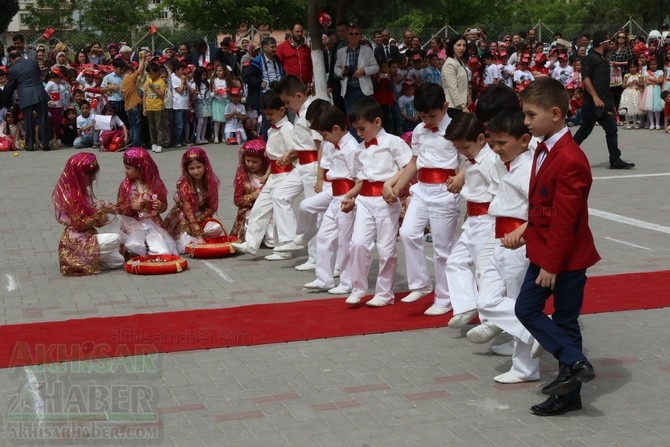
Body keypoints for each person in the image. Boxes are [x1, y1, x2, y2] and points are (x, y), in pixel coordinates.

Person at [515, 77, 601, 416]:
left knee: (536, 311)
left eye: (530, 115)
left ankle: (572, 373)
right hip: (546, 249)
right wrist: (528, 228)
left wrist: (551, 264)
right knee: (557, 319)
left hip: (563, 256)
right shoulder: (545, 146)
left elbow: (566, 220)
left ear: (554, 113)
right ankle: (573, 371)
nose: (526, 122)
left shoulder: (569, 158)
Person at [465, 110, 540, 385]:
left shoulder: (529, 168)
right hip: (498, 238)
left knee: (520, 302)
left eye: (502, 143)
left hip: (518, 242)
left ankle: (525, 367)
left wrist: (524, 230)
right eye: (493, 144)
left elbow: (542, 208)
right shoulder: (505, 165)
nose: (496, 149)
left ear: (524, 140)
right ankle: (539, 330)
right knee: (486, 300)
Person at [392, 83, 460, 315]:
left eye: (432, 115)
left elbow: (472, 160)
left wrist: (460, 178)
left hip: (445, 192)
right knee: (407, 232)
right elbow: (413, 162)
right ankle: (420, 284)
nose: (427, 120)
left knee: (442, 248)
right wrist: (398, 187)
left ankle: (444, 298)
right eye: (422, 116)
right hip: (421, 189)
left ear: (445, 106)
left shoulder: (457, 129)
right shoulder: (420, 130)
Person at [341, 97, 412, 307]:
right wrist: (350, 196)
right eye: (356, 130)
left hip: (386, 200)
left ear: (378, 122)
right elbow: (361, 180)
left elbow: (408, 166)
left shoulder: (394, 142)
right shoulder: (359, 149)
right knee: (358, 243)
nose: (360, 134)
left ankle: (384, 293)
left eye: (362, 128)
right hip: (364, 200)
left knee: (386, 248)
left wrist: (393, 185)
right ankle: (358, 288)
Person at [299, 105, 360, 294]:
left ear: (336, 129)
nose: (323, 139)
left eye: (324, 135)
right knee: (324, 236)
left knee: (344, 240)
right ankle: (323, 279)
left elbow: (359, 179)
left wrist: (351, 198)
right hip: (335, 196)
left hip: (346, 198)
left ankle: (348, 281)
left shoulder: (352, 148)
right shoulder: (333, 145)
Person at [263, 75, 322, 269]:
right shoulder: (299, 113)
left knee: (313, 212)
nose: (287, 106)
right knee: (280, 195)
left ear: (299, 95)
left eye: (288, 102)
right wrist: (290, 154)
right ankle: (290, 239)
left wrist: (321, 176)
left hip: (313, 167)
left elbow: (320, 145)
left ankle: (315, 258)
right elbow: (301, 143)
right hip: (301, 165)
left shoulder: (311, 112)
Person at [231, 92, 298, 257]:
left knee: (279, 211)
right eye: (265, 114)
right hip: (274, 174)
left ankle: (286, 246)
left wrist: (286, 157)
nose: (268, 117)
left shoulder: (287, 128)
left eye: (271, 114)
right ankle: (251, 243)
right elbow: (272, 158)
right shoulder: (271, 130)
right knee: (259, 209)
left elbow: (294, 149)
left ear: (282, 110)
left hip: (285, 175)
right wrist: (266, 175)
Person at [52, 153, 124, 276]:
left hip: (88, 236)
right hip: (78, 242)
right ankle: (79, 261)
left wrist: (100, 207)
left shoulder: (82, 192)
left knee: (118, 261)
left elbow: (89, 212)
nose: (94, 179)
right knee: (116, 238)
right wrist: (101, 212)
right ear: (82, 175)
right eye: (92, 175)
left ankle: (87, 262)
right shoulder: (72, 196)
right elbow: (80, 224)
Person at [573, 30, 635, 169]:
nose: (610, 44)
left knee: (612, 129)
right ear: (602, 43)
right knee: (585, 130)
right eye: (608, 42)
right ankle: (563, 155)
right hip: (592, 103)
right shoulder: (590, 58)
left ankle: (615, 159)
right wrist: (595, 97)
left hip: (605, 103)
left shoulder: (603, 58)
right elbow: (586, 78)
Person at [115, 147, 177, 256]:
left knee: (162, 251)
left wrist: (160, 205)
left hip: (152, 222)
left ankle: (150, 248)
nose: (125, 171)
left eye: (128, 168)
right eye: (125, 167)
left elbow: (164, 205)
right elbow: (119, 207)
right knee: (135, 247)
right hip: (132, 222)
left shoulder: (156, 184)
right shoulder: (125, 186)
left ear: (140, 168)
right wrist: (132, 206)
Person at [164, 147, 223, 253]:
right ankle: (194, 238)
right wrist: (199, 235)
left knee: (216, 228)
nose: (196, 172)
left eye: (199, 167)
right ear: (186, 170)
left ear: (205, 166)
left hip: (201, 217)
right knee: (184, 246)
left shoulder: (210, 183)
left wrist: (200, 219)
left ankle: (197, 237)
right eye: (191, 168)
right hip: (183, 219)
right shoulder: (184, 186)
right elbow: (189, 215)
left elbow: (211, 207)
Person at [334, 23, 380, 132]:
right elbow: (335, 69)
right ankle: (356, 145)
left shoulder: (367, 50)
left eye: (356, 34)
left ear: (360, 35)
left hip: (364, 91)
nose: (353, 36)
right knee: (352, 119)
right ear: (347, 35)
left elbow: (376, 67)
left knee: (368, 118)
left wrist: (364, 71)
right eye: (351, 34)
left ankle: (370, 141)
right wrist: (343, 72)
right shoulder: (341, 52)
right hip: (348, 91)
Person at [3, 50, 51, 151]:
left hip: (26, 95)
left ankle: (30, 145)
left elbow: (11, 86)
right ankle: (45, 144)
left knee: (28, 121)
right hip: (40, 92)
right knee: (43, 119)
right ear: (20, 56)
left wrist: (5, 94)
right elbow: (38, 75)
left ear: (11, 59)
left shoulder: (12, 69)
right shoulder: (33, 62)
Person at [230, 139, 271, 243]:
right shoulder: (242, 176)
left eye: (255, 162)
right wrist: (252, 196)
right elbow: (237, 200)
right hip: (249, 213)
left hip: (269, 210)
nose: (250, 164)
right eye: (247, 161)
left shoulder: (270, 175)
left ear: (263, 160)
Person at [441, 36, 469, 117]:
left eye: (464, 45)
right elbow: (452, 88)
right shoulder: (450, 64)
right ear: (452, 46)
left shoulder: (460, 62)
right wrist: (462, 106)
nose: (462, 48)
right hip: (452, 107)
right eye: (459, 45)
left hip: (460, 105)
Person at [143, 63, 167, 154]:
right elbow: (144, 95)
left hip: (158, 107)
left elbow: (162, 95)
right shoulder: (147, 81)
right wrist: (144, 108)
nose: (150, 75)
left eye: (151, 73)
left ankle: (160, 144)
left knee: (159, 127)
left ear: (157, 73)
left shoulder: (161, 82)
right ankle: (154, 143)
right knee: (151, 127)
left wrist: (153, 88)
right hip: (149, 107)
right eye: (148, 73)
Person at [211, 63, 237, 143]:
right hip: (217, 101)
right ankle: (216, 136)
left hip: (225, 100)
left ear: (224, 71)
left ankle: (223, 136)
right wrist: (215, 92)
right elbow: (211, 93)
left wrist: (228, 91)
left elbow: (232, 93)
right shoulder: (214, 80)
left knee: (224, 120)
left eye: (220, 71)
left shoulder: (228, 81)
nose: (218, 72)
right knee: (217, 120)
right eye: (217, 71)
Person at [641, 55, 664, 130]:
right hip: (649, 91)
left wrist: (652, 80)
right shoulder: (647, 72)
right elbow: (647, 82)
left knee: (657, 106)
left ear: (657, 64)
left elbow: (661, 80)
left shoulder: (660, 72)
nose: (653, 66)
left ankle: (657, 123)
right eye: (651, 65)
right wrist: (655, 81)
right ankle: (652, 123)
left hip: (657, 90)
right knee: (650, 107)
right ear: (649, 65)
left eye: (654, 64)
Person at [171, 60, 190, 148]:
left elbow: (189, 91)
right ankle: (177, 141)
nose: (183, 71)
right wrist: (182, 82)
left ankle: (183, 140)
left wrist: (186, 82)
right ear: (176, 70)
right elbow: (179, 91)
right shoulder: (173, 78)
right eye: (182, 69)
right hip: (178, 105)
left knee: (185, 124)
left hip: (185, 104)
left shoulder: (184, 78)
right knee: (179, 125)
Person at [620, 61, 643, 129]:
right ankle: (627, 123)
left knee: (635, 108)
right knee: (627, 107)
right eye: (631, 67)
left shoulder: (639, 75)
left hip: (636, 93)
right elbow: (623, 85)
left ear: (637, 67)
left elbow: (642, 85)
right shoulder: (627, 75)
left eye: (634, 67)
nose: (632, 69)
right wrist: (628, 84)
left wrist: (637, 83)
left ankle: (634, 123)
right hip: (628, 92)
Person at [193, 66, 213, 145]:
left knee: (205, 120)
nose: (204, 77)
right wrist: (195, 94)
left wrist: (214, 93)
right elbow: (193, 96)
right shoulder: (194, 84)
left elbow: (209, 94)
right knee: (200, 120)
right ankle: (198, 138)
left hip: (206, 102)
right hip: (199, 102)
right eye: (203, 75)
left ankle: (202, 137)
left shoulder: (207, 83)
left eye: (205, 75)